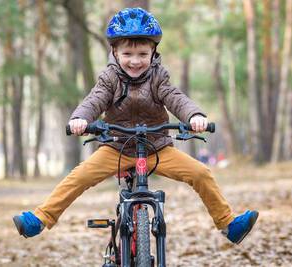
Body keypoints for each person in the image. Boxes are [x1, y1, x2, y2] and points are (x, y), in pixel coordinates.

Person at [13, 7, 258, 244]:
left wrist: (193, 116)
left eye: (142, 54)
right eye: (128, 55)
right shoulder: (109, 79)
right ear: (115, 53)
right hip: (116, 148)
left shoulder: (158, 77)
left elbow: (175, 97)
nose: (135, 61)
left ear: (153, 53)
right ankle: (41, 218)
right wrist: (81, 119)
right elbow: (95, 99)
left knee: (201, 173)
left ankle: (228, 224)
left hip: (157, 149)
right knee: (79, 177)